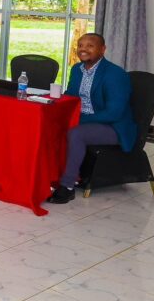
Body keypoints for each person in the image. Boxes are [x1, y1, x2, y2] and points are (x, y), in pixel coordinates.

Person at [48, 33, 138, 204]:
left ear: (102, 49)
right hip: (85, 119)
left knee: (77, 133)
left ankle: (67, 186)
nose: (83, 49)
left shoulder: (115, 74)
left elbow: (114, 113)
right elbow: (71, 96)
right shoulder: (77, 69)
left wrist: (79, 120)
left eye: (90, 46)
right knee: (50, 125)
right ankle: (49, 177)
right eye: (80, 45)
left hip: (114, 127)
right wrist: (54, 106)